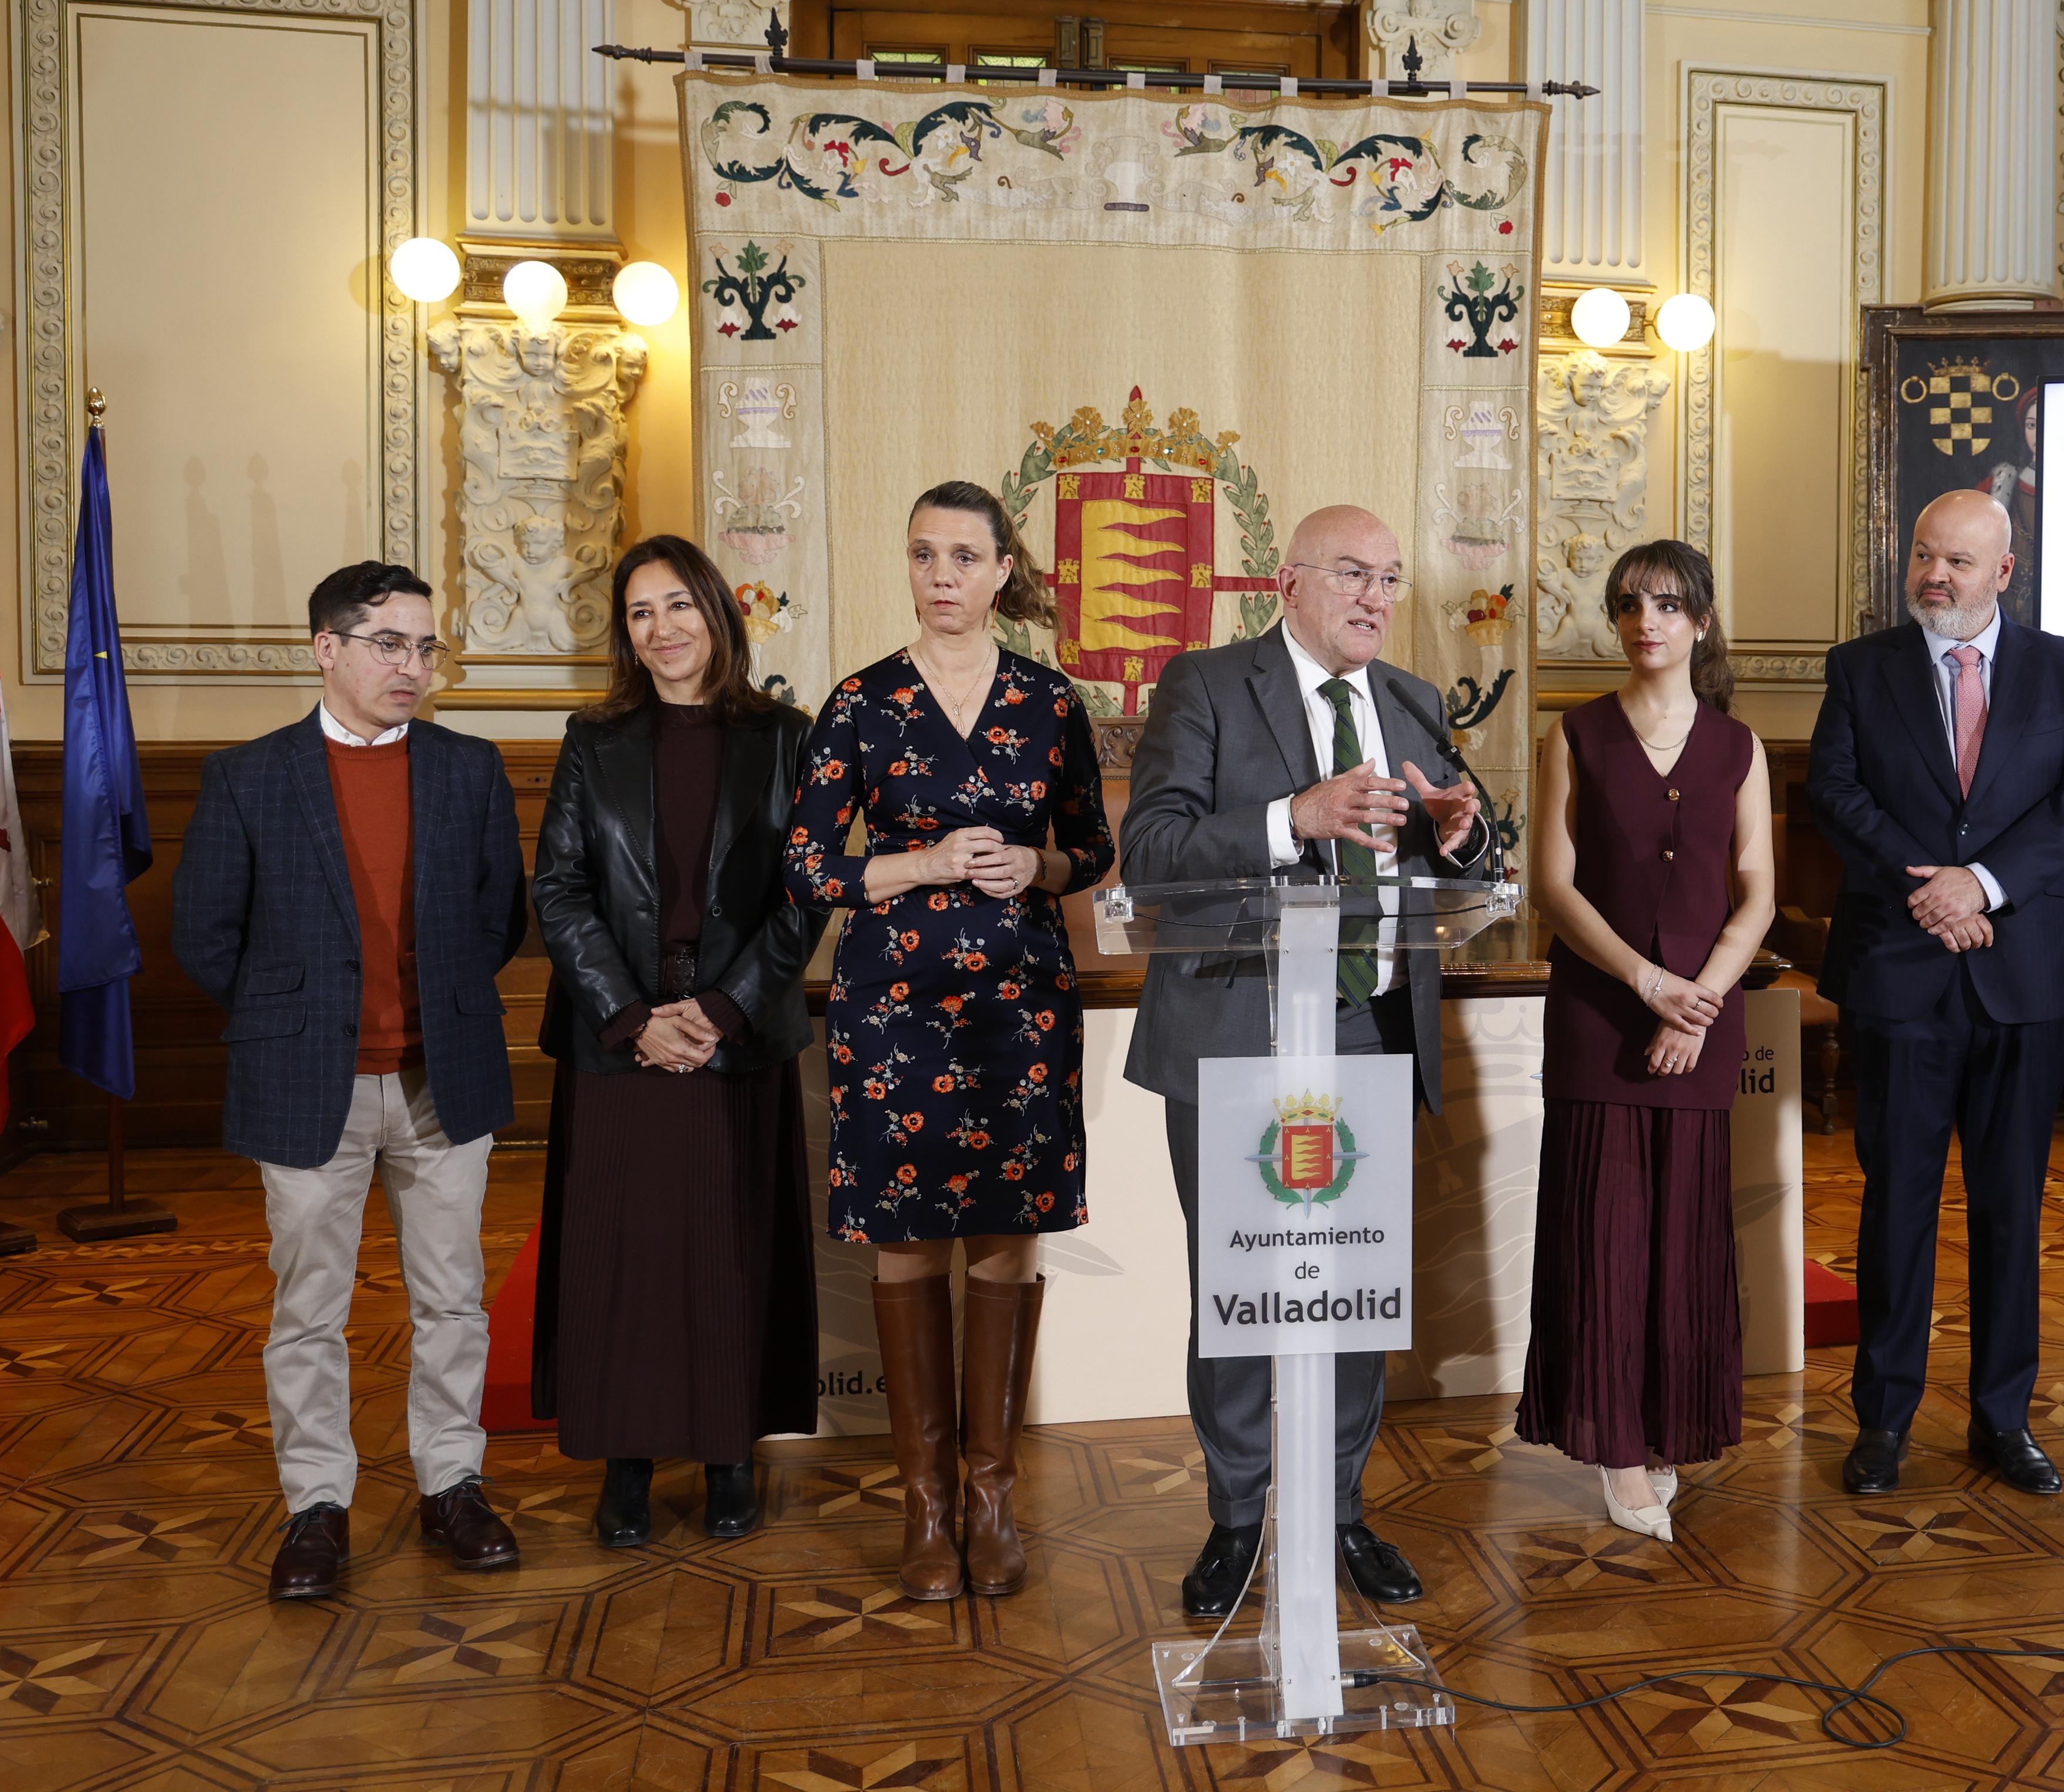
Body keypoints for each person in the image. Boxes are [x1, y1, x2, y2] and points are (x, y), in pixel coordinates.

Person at [1121, 503, 1489, 1620]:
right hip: (1241, 1032)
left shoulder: (1412, 701)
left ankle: (1336, 1508)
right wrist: (1296, 816)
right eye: (1353, 573)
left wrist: (1464, 834)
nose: (1377, 597)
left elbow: (1465, 853)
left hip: (1367, 1029)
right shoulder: (1207, 686)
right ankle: (1239, 1517)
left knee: (1354, 1291)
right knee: (1242, 1287)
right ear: (1288, 585)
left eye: (1391, 577)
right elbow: (1152, 850)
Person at [170, 561, 530, 1602]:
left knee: (454, 1300)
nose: (411, 665)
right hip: (305, 1080)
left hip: (441, 1077)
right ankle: (317, 1505)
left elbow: (498, 918)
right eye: (387, 644)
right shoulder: (249, 775)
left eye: (425, 646)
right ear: (326, 649)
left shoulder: (469, 768)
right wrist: (299, 1017)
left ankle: (452, 1484)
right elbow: (205, 933)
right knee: (309, 1310)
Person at [784, 481, 1113, 1603]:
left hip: (1021, 1006)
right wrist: (923, 863)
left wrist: (1040, 864)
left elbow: (1092, 848)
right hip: (893, 1010)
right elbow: (809, 866)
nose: (942, 575)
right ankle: (925, 1506)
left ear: (1002, 571)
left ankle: (992, 1497)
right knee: (909, 1240)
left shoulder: (1050, 701)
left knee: (1007, 1242)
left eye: (965, 556)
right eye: (924, 553)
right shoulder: (860, 700)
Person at [1806, 490, 2064, 1499]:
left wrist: (1981, 884)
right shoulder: (1861, 667)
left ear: (2004, 572)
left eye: (1959, 562)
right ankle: (1884, 1421)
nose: (1935, 576)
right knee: (1896, 1201)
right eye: (1924, 556)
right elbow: (1836, 792)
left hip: (2024, 976)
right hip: (1900, 972)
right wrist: (1933, 890)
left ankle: (2003, 1418)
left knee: (2011, 1207)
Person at [529, 533, 820, 1547]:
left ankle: (731, 1454)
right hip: (621, 1036)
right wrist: (632, 1016)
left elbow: (805, 892)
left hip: (737, 1032)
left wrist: (724, 1011)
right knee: (624, 1257)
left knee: (729, 1253)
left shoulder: (786, 737)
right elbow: (559, 889)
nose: (662, 629)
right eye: (641, 613)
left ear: (717, 611)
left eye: (679, 605)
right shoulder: (592, 738)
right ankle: (626, 1461)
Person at [1515, 540, 1774, 1543]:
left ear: (1701, 622)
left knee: (1684, 1238)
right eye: (1628, 604)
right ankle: (1617, 1450)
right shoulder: (1574, 733)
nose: (1645, 621)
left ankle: (1665, 1424)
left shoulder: (1739, 746)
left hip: (1702, 1023)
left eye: (1667, 604)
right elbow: (1553, 886)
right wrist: (1649, 984)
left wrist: (1697, 1000)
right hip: (1600, 1016)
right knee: (1605, 1239)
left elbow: (1757, 894)